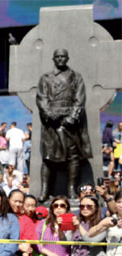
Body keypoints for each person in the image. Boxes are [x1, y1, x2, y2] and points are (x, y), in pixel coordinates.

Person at [36, 49, 92, 201]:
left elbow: (80, 99)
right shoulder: (45, 78)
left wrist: (73, 117)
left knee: (73, 156)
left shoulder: (76, 77)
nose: (60, 59)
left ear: (67, 58)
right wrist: (49, 114)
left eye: (63, 57)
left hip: (70, 123)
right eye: (58, 57)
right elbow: (41, 98)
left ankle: (72, 189)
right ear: (53, 59)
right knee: (48, 158)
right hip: (51, 124)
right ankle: (45, 190)